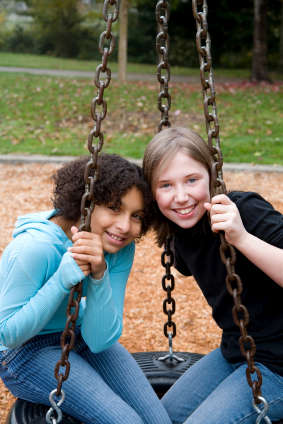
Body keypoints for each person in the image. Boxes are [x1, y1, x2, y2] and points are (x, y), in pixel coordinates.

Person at [0, 154, 172, 424]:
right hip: (25, 352)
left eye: (136, 216)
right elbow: (8, 335)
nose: (125, 226)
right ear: (86, 203)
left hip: (80, 336)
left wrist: (100, 275)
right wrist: (60, 281)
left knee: (158, 421)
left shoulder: (119, 248)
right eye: (114, 208)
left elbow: (100, 339)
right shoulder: (35, 249)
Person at [143, 127, 283, 424]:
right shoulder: (180, 232)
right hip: (235, 351)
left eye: (192, 180)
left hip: (279, 366)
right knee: (160, 418)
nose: (181, 197)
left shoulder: (244, 210)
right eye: (165, 185)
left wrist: (242, 238)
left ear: (212, 176)